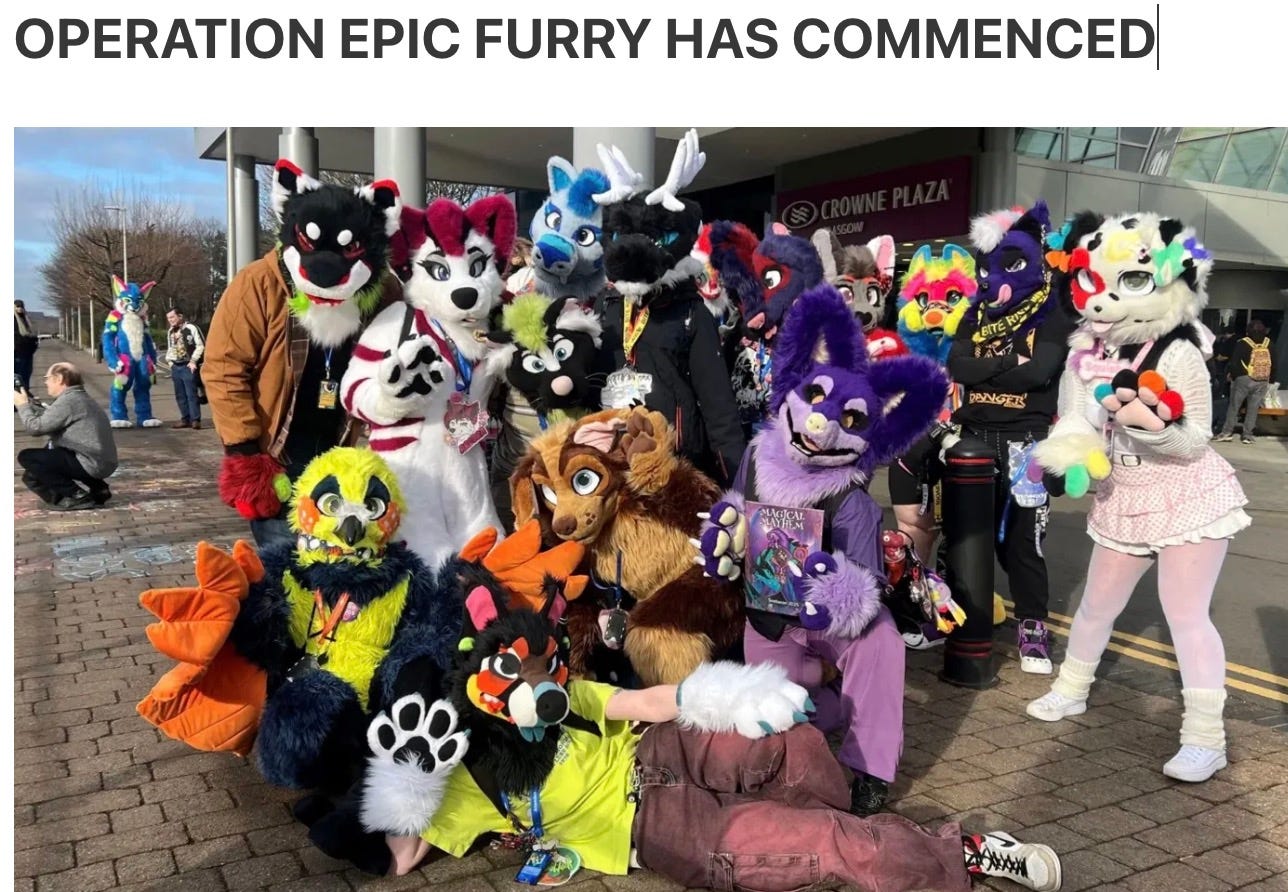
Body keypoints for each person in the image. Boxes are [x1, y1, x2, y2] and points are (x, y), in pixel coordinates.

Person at [1031, 213, 1248, 783]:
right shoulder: (1084, 350)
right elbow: (1074, 415)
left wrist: (1151, 428)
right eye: (1094, 283)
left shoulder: (1177, 351)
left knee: (1186, 615)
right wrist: (1069, 453)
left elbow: (1196, 438)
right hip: (1121, 494)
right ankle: (1071, 688)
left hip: (1185, 495)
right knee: (1096, 605)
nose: (1104, 301)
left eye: (1128, 282)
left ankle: (1206, 739)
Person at [949, 201, 1075, 674]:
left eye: (1009, 265)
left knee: (1024, 543)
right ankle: (964, 621)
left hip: (1027, 441)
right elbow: (958, 367)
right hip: (973, 439)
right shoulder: (976, 313)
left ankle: (1033, 626)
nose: (993, 278)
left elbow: (1040, 373)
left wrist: (986, 370)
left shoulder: (1053, 313)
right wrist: (1006, 363)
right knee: (966, 539)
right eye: (986, 268)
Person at [15, 362, 118, 510]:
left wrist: (22, 406)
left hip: (91, 463)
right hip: (99, 460)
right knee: (34, 473)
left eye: (47, 378)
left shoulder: (69, 401)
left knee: (27, 457)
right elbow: (51, 419)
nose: (45, 382)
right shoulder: (79, 397)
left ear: (59, 379)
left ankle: (77, 495)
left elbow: (35, 428)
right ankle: (99, 488)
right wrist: (30, 404)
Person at [1215, 318, 1276, 444]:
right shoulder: (1269, 343)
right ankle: (1248, 435)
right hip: (1262, 380)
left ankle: (1227, 432)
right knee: (1253, 408)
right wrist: (1271, 380)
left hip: (1244, 379)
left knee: (1234, 406)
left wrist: (1234, 376)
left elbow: (1234, 362)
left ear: (1248, 331)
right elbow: (1274, 363)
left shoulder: (1242, 343)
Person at [164, 308, 205, 429]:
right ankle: (185, 419)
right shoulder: (171, 331)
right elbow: (170, 347)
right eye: (168, 318)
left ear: (180, 316)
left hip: (188, 365)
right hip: (176, 366)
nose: (170, 320)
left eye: (172, 317)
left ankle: (195, 420)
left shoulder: (191, 328)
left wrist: (193, 361)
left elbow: (201, 345)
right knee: (180, 395)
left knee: (191, 393)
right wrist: (170, 362)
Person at [14, 299, 39, 393]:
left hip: (27, 351)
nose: (20, 308)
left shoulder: (25, 318)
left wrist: (34, 343)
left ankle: (26, 392)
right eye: (17, 306)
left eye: (21, 306)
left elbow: (30, 333)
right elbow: (17, 336)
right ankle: (19, 394)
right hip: (18, 352)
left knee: (27, 373)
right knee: (19, 374)